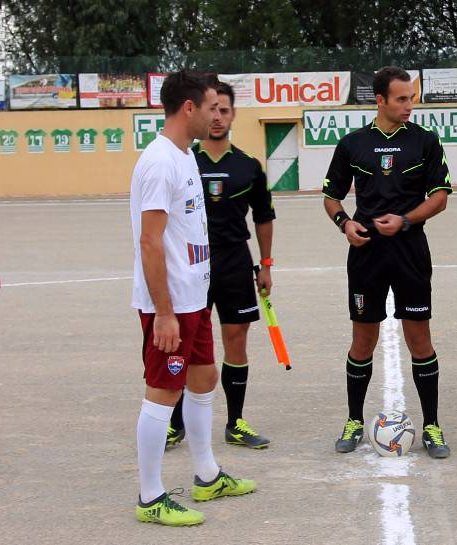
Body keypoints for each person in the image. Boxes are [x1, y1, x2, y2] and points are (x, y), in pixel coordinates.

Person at [130, 70, 255, 527]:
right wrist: (164, 312)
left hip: (193, 297)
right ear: (189, 108)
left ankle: (207, 475)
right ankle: (150, 497)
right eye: (209, 107)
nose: (215, 115)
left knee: (204, 379)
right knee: (163, 392)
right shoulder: (161, 161)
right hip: (171, 305)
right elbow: (150, 241)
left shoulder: (185, 156)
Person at [322, 66, 453, 458]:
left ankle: (431, 425)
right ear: (379, 100)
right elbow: (331, 196)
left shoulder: (426, 142)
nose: (409, 105)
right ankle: (353, 421)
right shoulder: (352, 144)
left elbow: (441, 196)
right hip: (366, 254)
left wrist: (407, 219)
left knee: (419, 339)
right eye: (401, 98)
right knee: (363, 340)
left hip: (411, 251)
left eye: (411, 97)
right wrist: (345, 224)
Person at [166, 80, 275, 450]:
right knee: (185, 340)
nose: (217, 117)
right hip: (191, 263)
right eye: (212, 109)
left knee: (235, 339)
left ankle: (235, 422)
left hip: (233, 262)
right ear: (199, 110)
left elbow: (263, 217)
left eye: (224, 110)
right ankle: (175, 423)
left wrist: (266, 264)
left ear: (233, 115)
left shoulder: (249, 167)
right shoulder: (184, 161)